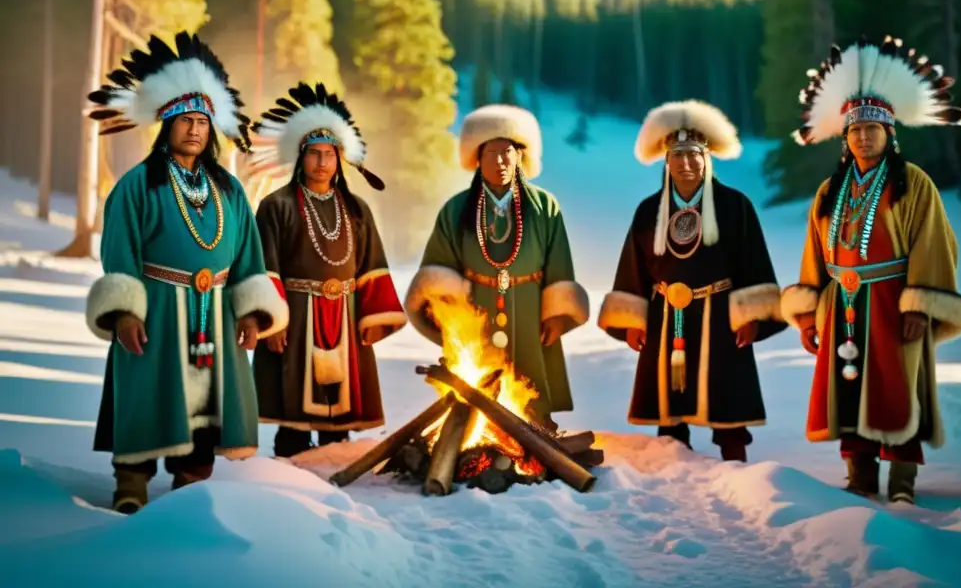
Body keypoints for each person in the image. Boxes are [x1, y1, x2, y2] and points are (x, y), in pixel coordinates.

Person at [84, 31, 289, 513]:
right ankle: (131, 484)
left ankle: (191, 488)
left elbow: (247, 257)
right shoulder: (138, 185)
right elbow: (119, 252)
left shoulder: (230, 191)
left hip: (214, 312)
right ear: (166, 124)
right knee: (143, 395)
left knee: (207, 409)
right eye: (184, 120)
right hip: (154, 309)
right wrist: (125, 313)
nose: (194, 129)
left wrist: (252, 313)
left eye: (202, 121)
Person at [781, 35, 961, 503]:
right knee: (847, 393)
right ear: (845, 138)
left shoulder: (913, 184)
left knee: (897, 389)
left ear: (890, 133)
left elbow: (934, 245)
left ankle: (903, 483)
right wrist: (808, 313)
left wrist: (921, 305)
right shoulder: (830, 190)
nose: (863, 135)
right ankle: (860, 478)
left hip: (892, 302)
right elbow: (814, 256)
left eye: (873, 128)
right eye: (855, 129)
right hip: (841, 304)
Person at [596, 101, 786, 462]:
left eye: (693, 155)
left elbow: (753, 264)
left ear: (707, 157)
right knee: (670, 403)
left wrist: (754, 318)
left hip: (721, 315)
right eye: (677, 155)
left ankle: (735, 463)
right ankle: (673, 463)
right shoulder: (648, 211)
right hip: (666, 315)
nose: (685, 163)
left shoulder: (735, 206)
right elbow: (633, 268)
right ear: (666, 161)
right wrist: (632, 322)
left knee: (726, 399)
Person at [247, 82, 407, 457]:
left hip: (346, 319)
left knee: (339, 413)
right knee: (294, 414)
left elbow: (371, 266)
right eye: (313, 154)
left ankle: (335, 465)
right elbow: (263, 266)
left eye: (329, 154)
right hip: (296, 316)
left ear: (340, 159)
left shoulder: (356, 209)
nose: (321, 162)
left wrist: (372, 320)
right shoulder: (277, 206)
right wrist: (272, 321)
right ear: (300, 158)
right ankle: (290, 473)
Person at [404, 104, 589, 427]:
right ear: (477, 158)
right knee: (479, 376)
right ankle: (475, 429)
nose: (501, 161)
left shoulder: (545, 207)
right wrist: (446, 315)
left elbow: (559, 264)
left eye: (508, 152)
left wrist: (558, 314)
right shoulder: (457, 209)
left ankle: (536, 429)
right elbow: (438, 266)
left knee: (530, 374)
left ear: (521, 157)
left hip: (530, 305)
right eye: (491, 153)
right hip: (477, 305)